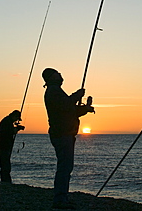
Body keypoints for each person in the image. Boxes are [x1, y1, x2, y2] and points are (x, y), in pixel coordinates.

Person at [42, 68, 95, 210]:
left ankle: (62, 198)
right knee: (64, 168)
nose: (60, 75)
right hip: (62, 135)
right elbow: (67, 104)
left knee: (66, 167)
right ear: (50, 77)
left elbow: (70, 110)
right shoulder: (53, 91)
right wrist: (78, 94)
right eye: (56, 73)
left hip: (65, 134)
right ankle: (60, 199)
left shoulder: (56, 91)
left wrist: (86, 109)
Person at [0, 110, 25, 183]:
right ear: (14, 116)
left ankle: (5, 180)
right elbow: (9, 132)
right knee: (5, 164)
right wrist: (17, 129)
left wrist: (16, 128)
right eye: (17, 118)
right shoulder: (6, 122)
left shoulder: (8, 121)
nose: (16, 120)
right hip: (3, 145)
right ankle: (6, 181)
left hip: (4, 145)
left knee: (5, 163)